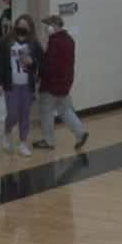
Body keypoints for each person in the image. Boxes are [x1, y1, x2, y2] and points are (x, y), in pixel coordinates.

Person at [32, 15, 88, 152]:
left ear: (55, 25)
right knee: (64, 110)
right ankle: (80, 132)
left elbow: (50, 65)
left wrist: (40, 76)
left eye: (48, 25)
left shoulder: (55, 42)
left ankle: (48, 140)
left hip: (52, 84)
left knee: (46, 111)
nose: (46, 28)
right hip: (65, 83)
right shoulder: (69, 40)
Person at [0, 17, 41, 156]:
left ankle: (23, 143)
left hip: (27, 85)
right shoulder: (6, 42)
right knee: (13, 114)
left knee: (25, 115)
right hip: (11, 84)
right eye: (20, 25)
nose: (22, 28)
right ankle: (7, 131)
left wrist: (32, 62)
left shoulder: (33, 44)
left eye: (25, 26)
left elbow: (41, 62)